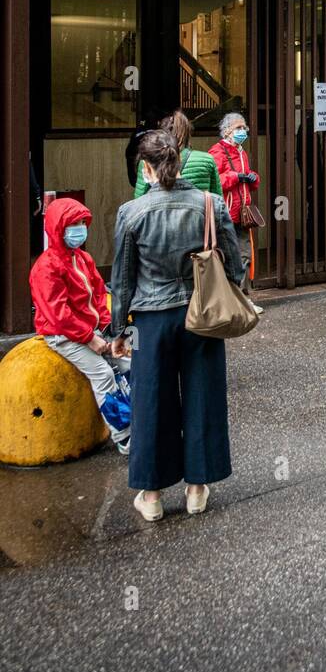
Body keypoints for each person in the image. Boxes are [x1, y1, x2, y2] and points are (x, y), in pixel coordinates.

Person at [110, 130, 244, 523]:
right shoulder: (211, 204)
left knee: (151, 401)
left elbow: (122, 280)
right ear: (180, 162)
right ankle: (197, 489)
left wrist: (119, 330)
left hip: (151, 319)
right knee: (204, 394)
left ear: (146, 167)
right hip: (200, 311)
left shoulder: (130, 212)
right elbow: (234, 265)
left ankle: (151, 496)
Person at [29, 198, 132, 454]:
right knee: (103, 374)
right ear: (57, 228)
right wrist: (90, 338)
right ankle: (124, 436)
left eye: (81, 223)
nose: (79, 228)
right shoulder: (46, 267)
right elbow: (58, 313)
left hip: (89, 330)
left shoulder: (82, 258)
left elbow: (99, 294)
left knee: (130, 362)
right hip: (61, 335)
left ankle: (141, 418)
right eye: (72, 224)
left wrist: (110, 329)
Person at [209, 112, 259, 295]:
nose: (243, 131)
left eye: (244, 127)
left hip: (242, 212)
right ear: (227, 130)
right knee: (229, 256)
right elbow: (215, 181)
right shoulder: (217, 152)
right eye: (239, 127)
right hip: (227, 212)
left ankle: (243, 298)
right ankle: (230, 298)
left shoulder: (241, 152)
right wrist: (236, 177)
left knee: (245, 255)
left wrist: (253, 178)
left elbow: (248, 181)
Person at [133, 110, 222, 199]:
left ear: (161, 133)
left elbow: (140, 197)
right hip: (198, 211)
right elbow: (217, 198)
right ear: (188, 133)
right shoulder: (206, 159)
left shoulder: (149, 159)